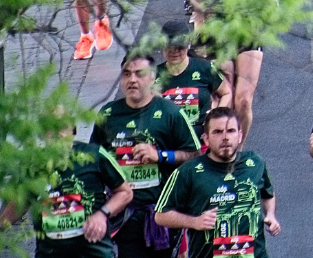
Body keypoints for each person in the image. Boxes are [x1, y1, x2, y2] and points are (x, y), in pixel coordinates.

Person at [92, 53, 200, 258]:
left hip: (162, 214)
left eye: (139, 74)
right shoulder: (108, 115)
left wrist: (161, 155)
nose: (132, 80)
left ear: (152, 78)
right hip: (125, 215)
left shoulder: (171, 113)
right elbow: (93, 163)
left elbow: (195, 155)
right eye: (126, 74)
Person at [155, 108, 279, 258]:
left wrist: (271, 215)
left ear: (240, 136)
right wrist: (194, 222)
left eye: (231, 131)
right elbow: (161, 215)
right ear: (206, 139)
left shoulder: (255, 162)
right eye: (218, 132)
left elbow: (267, 193)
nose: (225, 137)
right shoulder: (189, 172)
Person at [15, 122, 132, 258]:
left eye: (62, 127)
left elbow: (125, 192)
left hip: (94, 252)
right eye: (50, 128)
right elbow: (19, 204)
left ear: (73, 130)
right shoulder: (34, 165)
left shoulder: (94, 154)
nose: (58, 133)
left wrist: (102, 214)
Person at [157, 20, 231, 137]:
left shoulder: (205, 68)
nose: (174, 51)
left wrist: (215, 116)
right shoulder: (154, 75)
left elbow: (226, 93)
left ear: (188, 44)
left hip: (201, 137)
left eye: (179, 46)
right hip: (169, 139)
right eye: (169, 46)